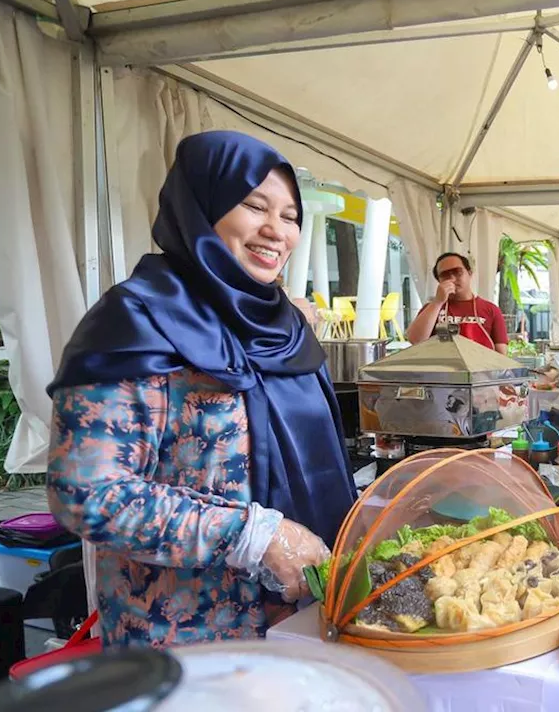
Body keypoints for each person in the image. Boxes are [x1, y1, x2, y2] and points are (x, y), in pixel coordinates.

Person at [45, 131, 358, 648]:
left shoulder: (285, 327)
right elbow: (89, 493)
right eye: (254, 206)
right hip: (188, 640)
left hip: (308, 626)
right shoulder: (136, 320)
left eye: (289, 215)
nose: (275, 231)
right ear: (200, 209)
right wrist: (254, 537)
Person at [406, 252, 508, 354]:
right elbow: (415, 341)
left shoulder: (491, 309)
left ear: (470, 273)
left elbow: (501, 354)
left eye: (457, 272)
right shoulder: (432, 308)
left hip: (481, 367)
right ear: (439, 281)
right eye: (445, 275)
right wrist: (437, 302)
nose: (452, 279)